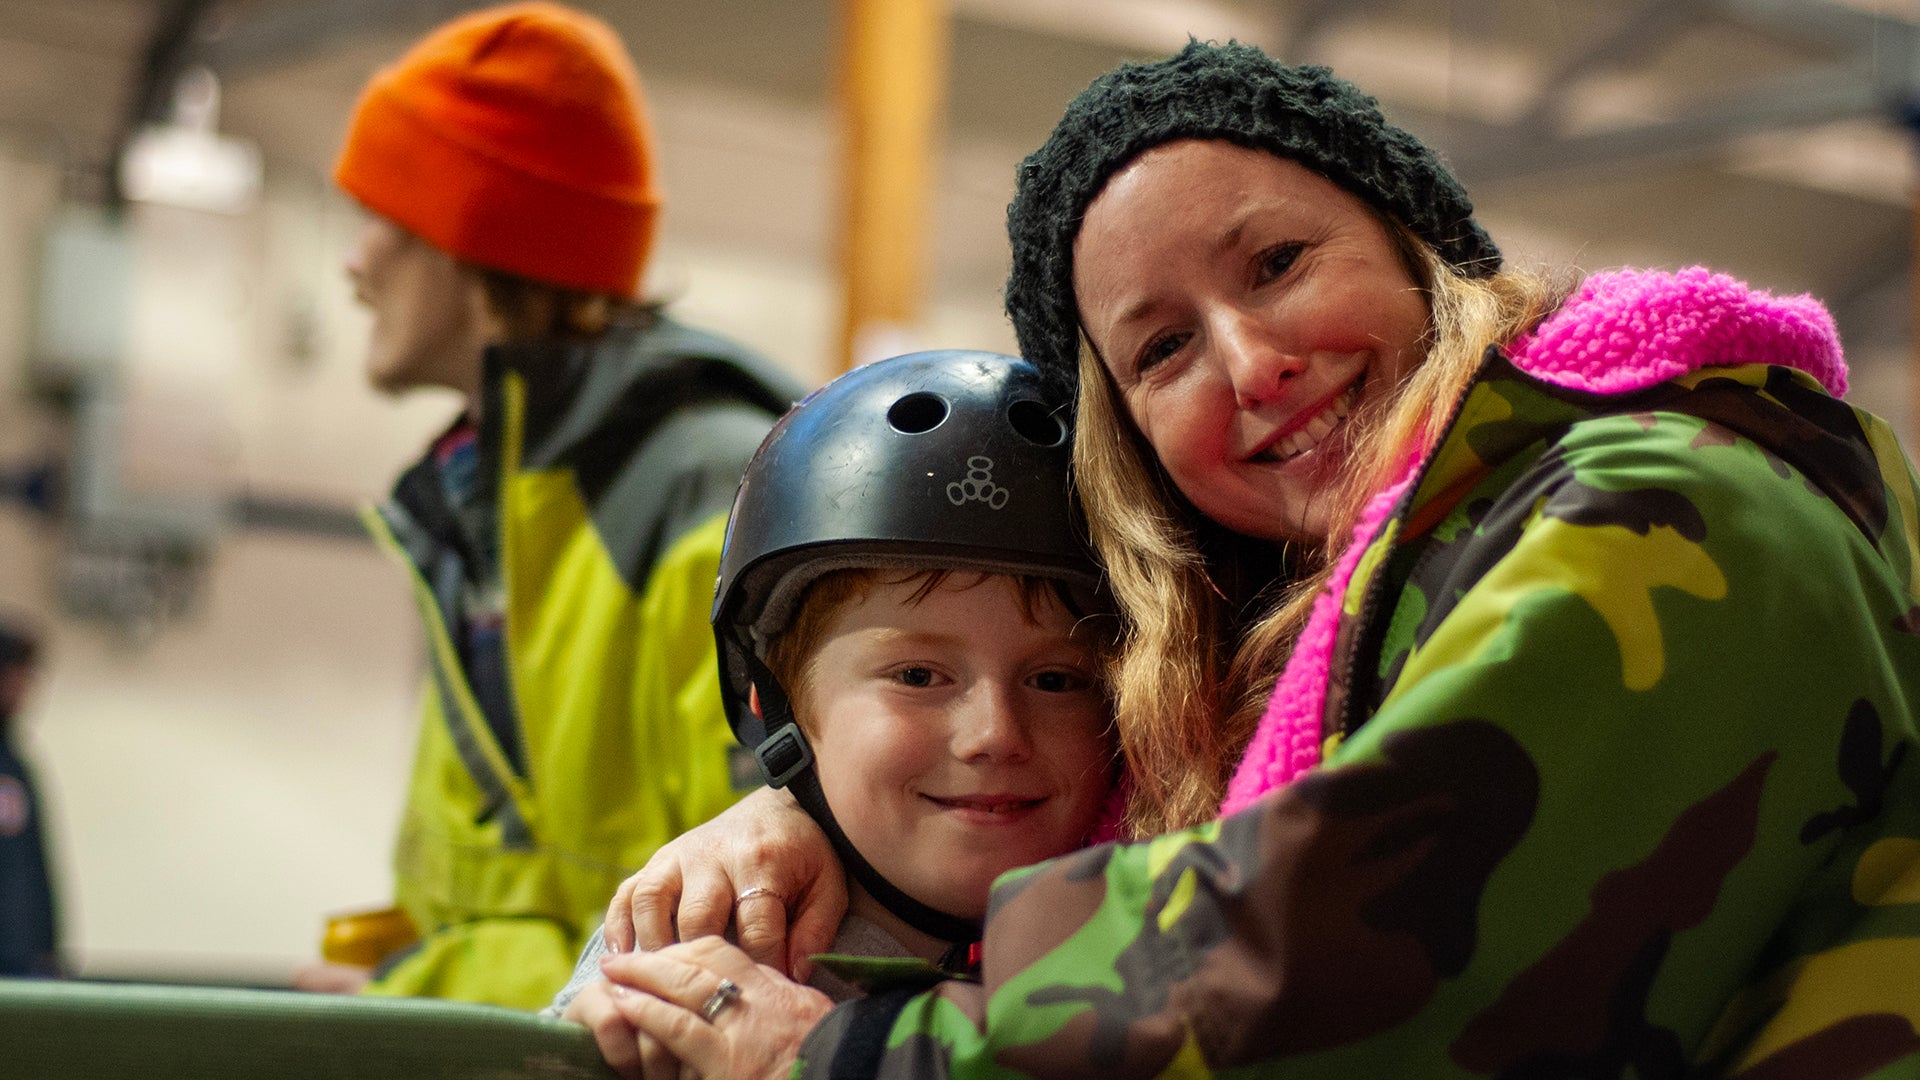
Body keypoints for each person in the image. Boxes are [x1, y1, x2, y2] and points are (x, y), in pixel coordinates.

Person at [576, 40, 1920, 1080]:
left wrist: (841, 1054)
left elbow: (1344, 964)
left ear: (1420, 254)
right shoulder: (1325, 637)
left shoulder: (1674, 498)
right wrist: (808, 820)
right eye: (1159, 349)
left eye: (1277, 262)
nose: (1252, 363)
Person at [297, 1, 800, 1008]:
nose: (355, 263)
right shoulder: (470, 513)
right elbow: (505, 884)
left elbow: (741, 942)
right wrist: (387, 965)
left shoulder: (707, 496)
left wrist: (412, 996)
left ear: (471, 243)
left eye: (383, 217)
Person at [550, 351, 1117, 1077]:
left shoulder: (1158, 933)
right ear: (774, 704)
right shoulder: (701, 940)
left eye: (1056, 679)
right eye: (917, 675)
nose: (995, 734)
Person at [0, 619, 59, 978]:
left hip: (22, 967)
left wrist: (47, 948)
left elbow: (33, 868)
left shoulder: (17, 763)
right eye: (15, 674)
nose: (24, 687)